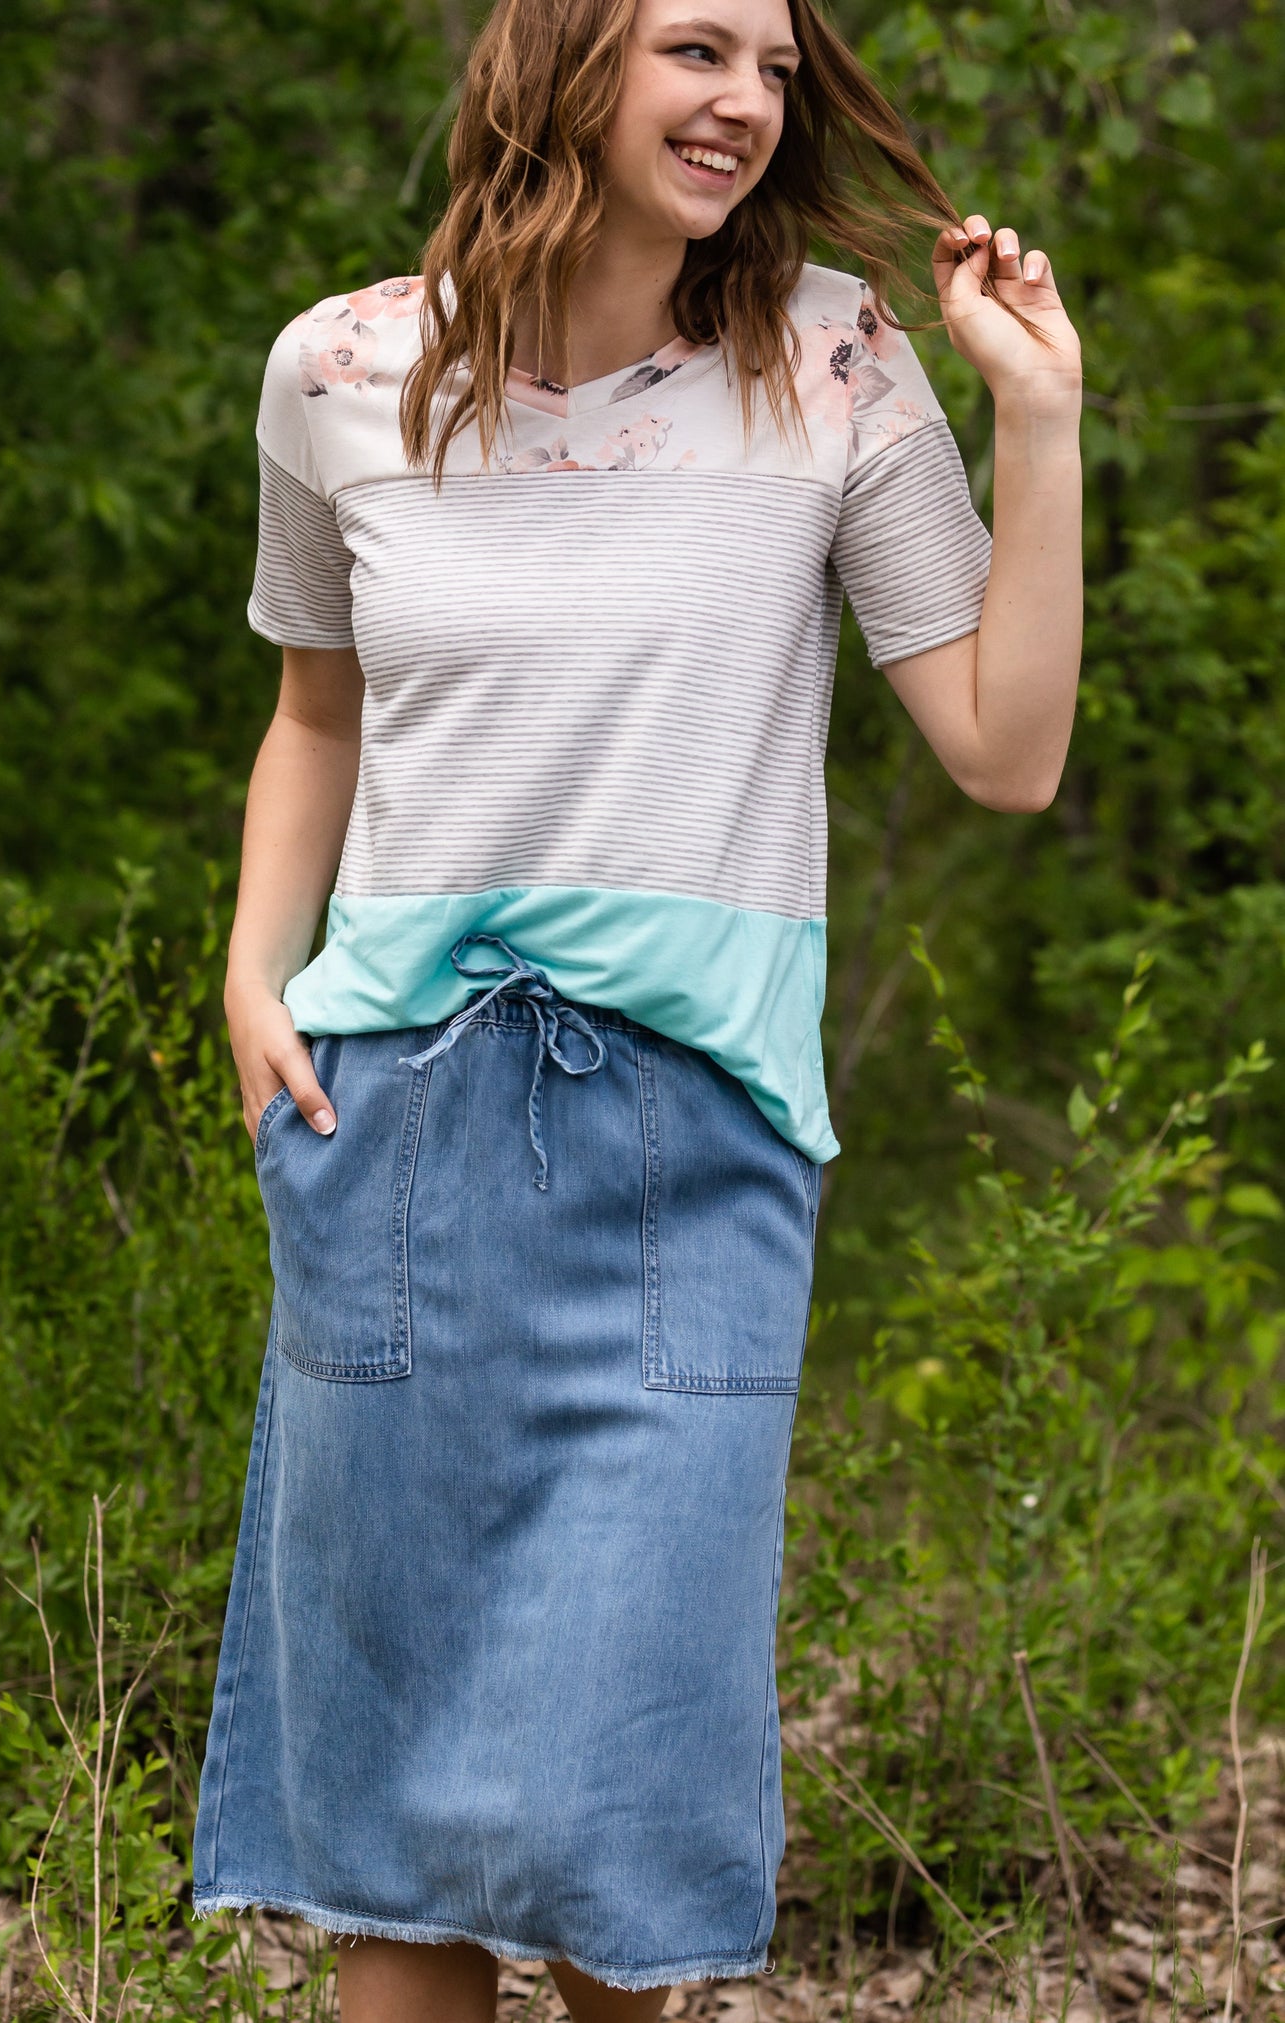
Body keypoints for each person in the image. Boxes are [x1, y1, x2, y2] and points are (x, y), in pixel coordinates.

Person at [190, 0, 1082, 2013]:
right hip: (387, 1120)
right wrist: (257, 969)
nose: (747, 100)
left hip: (696, 1140)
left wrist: (1039, 417)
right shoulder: (342, 369)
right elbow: (313, 709)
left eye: (770, 63)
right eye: (696, 49)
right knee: (389, 1805)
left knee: (630, 1799)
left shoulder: (831, 357)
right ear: (566, 63)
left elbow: (1006, 749)